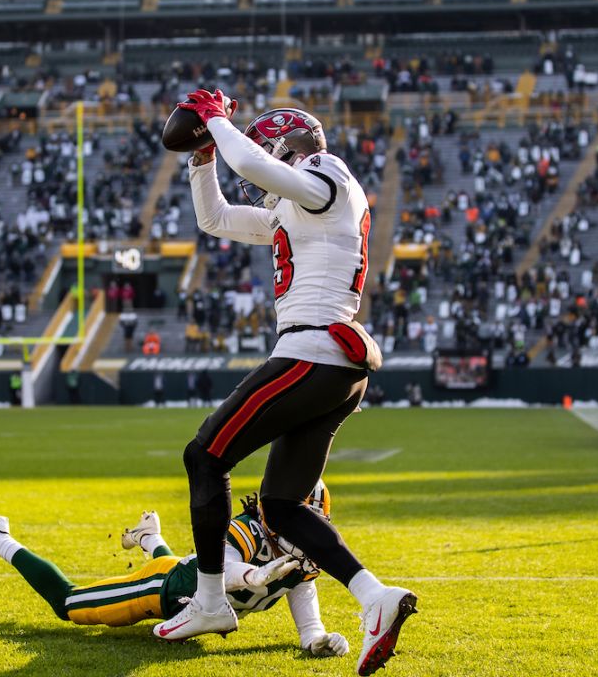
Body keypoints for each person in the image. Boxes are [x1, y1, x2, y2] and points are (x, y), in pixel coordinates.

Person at [162, 90, 415, 675]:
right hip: (330, 363)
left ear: (290, 146)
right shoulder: (294, 209)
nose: (257, 161)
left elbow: (250, 164)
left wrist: (218, 121)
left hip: (313, 350)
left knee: (204, 457)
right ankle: (375, 597)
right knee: (281, 505)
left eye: (265, 145)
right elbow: (215, 219)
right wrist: (202, 158)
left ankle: (209, 600)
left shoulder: (327, 172)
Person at [0, 485, 350, 658]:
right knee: (68, 605)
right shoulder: (246, 529)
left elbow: (306, 614)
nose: (306, 532)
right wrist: (254, 577)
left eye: (312, 521)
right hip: (160, 589)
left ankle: (147, 535)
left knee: (175, 564)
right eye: (298, 520)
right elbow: (220, 567)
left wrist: (315, 640)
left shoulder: (304, 563)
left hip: (182, 585)